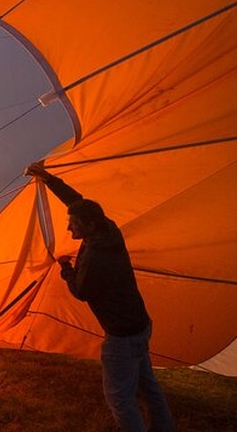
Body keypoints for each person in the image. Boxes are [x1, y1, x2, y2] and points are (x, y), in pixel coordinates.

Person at [26, 162, 174, 432]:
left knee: (119, 397)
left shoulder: (95, 258)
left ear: (89, 225)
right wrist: (47, 178)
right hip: (140, 325)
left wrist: (67, 269)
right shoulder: (109, 231)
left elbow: (81, 292)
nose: (70, 231)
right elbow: (77, 200)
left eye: (74, 226)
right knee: (147, 385)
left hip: (122, 336)